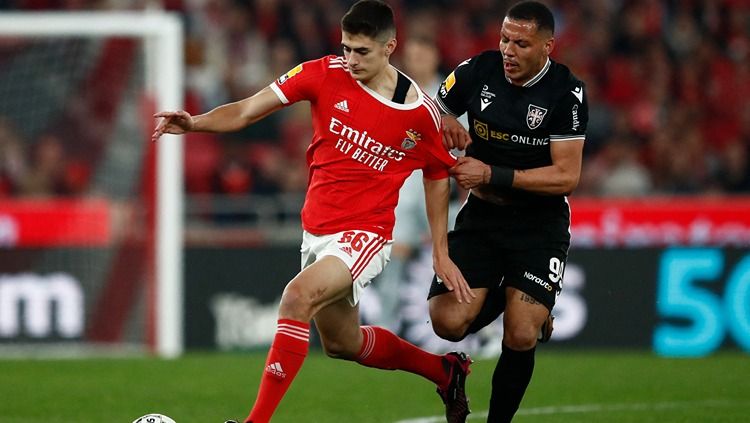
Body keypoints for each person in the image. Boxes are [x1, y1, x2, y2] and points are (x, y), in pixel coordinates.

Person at [151, 2, 474, 423]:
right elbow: (249, 108)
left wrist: (440, 251)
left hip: (365, 233)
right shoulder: (322, 73)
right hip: (318, 230)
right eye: (346, 48)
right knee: (343, 343)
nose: (351, 60)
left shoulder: (421, 115)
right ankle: (444, 370)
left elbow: (436, 175)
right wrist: (195, 123)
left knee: (296, 297)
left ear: (389, 47)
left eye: (362, 51)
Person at [427, 2, 588, 422]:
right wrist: (444, 119)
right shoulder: (477, 71)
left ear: (547, 46)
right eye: (504, 39)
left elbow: (567, 176)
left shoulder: (566, 93)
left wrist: (492, 174)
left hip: (540, 223)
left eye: (521, 43)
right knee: (446, 322)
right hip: (483, 216)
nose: (508, 50)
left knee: (519, 333)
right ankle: (527, 306)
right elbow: (429, 106)